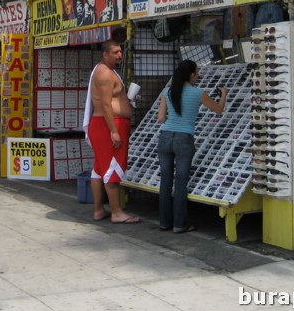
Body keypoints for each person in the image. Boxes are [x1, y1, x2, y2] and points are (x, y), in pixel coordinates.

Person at [157, 60, 227, 233]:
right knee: (180, 182)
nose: (198, 76)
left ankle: (164, 222)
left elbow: (160, 118)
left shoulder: (168, 91)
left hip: (165, 137)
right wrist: (224, 94)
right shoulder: (198, 93)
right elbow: (218, 109)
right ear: (191, 75)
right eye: (196, 73)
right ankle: (179, 224)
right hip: (184, 139)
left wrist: (173, 123)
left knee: (165, 181)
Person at [85, 40, 140, 224]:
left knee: (99, 169)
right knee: (111, 168)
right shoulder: (104, 73)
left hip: (106, 124)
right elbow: (106, 104)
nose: (119, 55)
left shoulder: (106, 72)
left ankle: (99, 210)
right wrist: (114, 131)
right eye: (115, 52)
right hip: (107, 125)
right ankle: (116, 212)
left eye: (120, 52)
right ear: (105, 54)